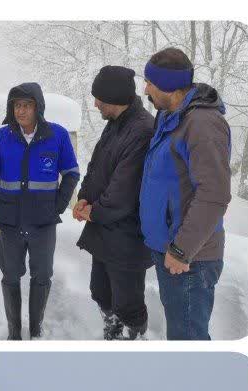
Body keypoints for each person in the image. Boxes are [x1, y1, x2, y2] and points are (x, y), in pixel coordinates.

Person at [140, 47, 232, 340]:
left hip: (190, 259)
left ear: (168, 86)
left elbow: (214, 194)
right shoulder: (170, 117)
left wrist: (182, 249)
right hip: (172, 252)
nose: (146, 89)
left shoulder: (203, 125)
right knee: (180, 337)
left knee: (189, 341)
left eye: (150, 83)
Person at [0, 82, 80, 339]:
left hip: (43, 223)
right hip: (11, 222)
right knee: (11, 275)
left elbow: (71, 174)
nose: (21, 111)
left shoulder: (57, 136)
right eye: (16, 105)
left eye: (26, 105)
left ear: (38, 107)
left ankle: (35, 330)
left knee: (42, 275)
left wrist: (57, 206)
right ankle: (14, 332)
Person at [74, 66, 155, 340]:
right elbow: (95, 167)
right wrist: (83, 196)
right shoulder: (115, 125)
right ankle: (113, 327)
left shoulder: (142, 131)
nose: (95, 103)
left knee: (128, 303)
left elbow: (125, 191)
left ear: (115, 98)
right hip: (104, 233)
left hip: (128, 238)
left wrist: (93, 212)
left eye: (99, 98)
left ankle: (133, 336)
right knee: (100, 292)